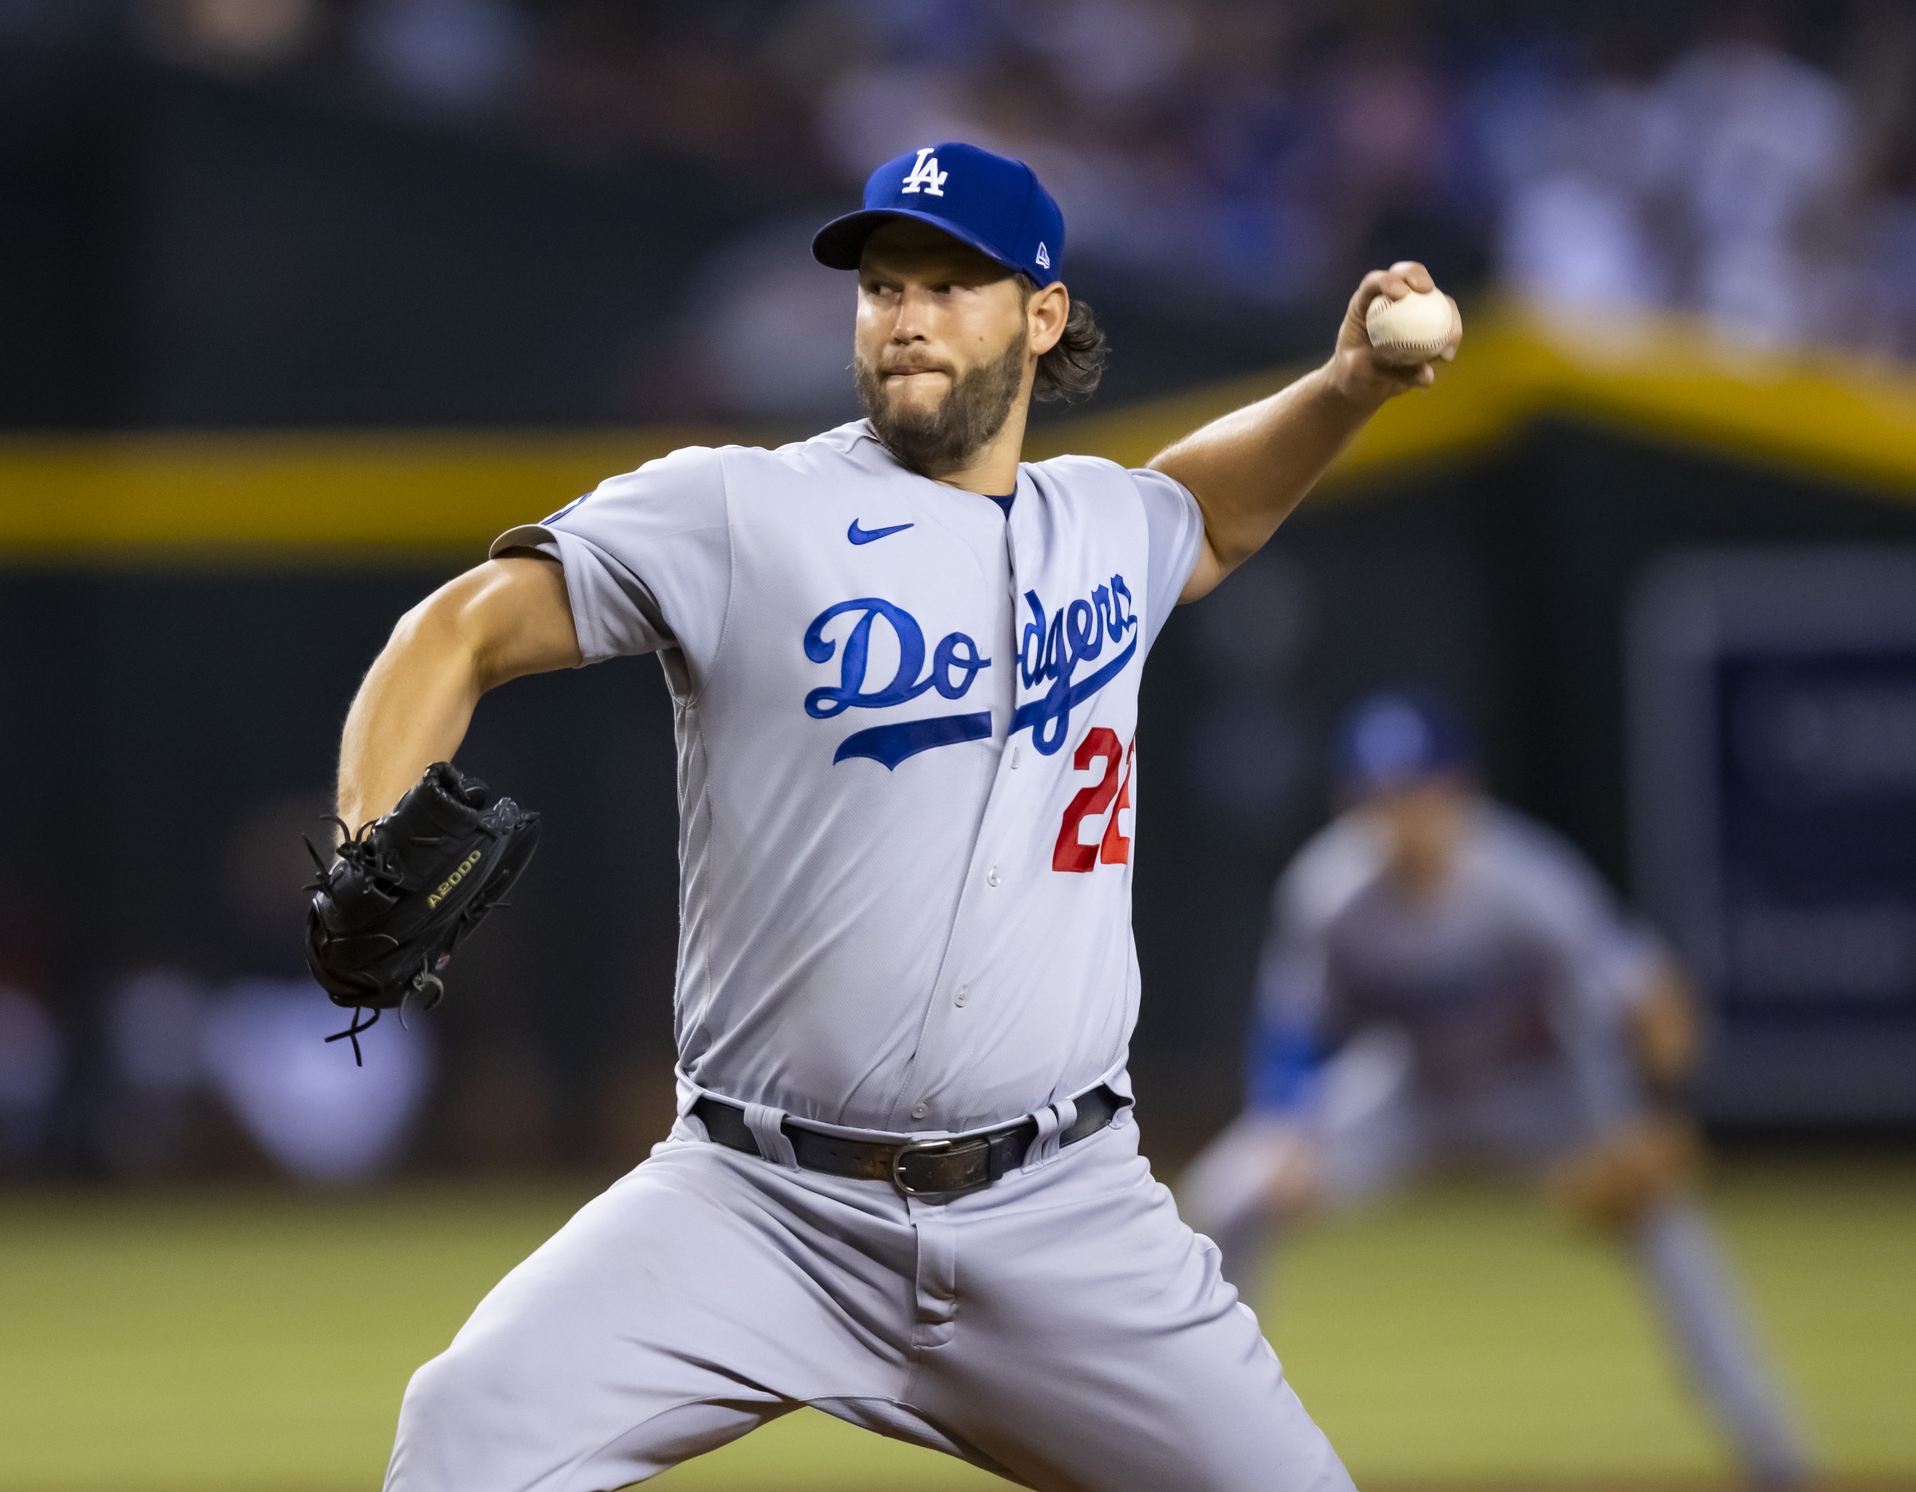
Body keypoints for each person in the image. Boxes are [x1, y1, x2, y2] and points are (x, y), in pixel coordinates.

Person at [335, 142, 1459, 1492]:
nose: (906, 314)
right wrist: (363, 840)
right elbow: (453, 632)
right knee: (465, 1431)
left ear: (1043, 316)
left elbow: (1206, 518)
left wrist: (1346, 387)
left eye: (950, 282)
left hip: (1064, 1217)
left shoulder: (1102, 526)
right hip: (754, 1206)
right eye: (881, 285)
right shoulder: (743, 508)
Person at [1178, 692, 1810, 1488]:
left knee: (1669, 1227)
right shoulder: (1328, 888)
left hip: (1541, 1096)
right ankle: (1205, 1437)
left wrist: (1655, 1118)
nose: (1402, 817)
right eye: (1382, 798)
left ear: (1460, 792)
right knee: (1232, 1191)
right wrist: (1286, 1132)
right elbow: (1291, 1031)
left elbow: (1651, 1003)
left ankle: (1778, 1460)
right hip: (1412, 1090)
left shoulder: (1525, 880)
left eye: (1418, 793)